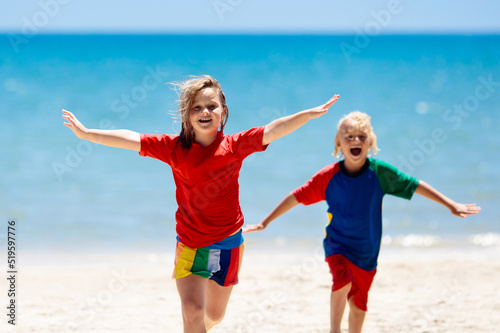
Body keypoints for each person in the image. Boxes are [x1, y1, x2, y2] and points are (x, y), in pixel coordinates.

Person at [62, 74, 339, 333]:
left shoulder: (235, 146)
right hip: (190, 244)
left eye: (211, 106)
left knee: (214, 316)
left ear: (223, 111)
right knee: (192, 311)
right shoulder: (173, 148)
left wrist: (308, 115)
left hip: (228, 243)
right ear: (187, 114)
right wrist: (89, 135)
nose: (205, 112)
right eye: (196, 107)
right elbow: (132, 138)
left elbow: (273, 129)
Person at [243, 111, 481, 333]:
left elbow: (414, 184)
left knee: (358, 306)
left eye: (361, 136)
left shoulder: (380, 173)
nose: (355, 140)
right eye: (348, 137)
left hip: (367, 253)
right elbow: (297, 196)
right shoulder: (328, 177)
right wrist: (266, 222)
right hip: (337, 245)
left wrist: (450, 204)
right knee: (342, 280)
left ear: (370, 143)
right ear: (338, 144)